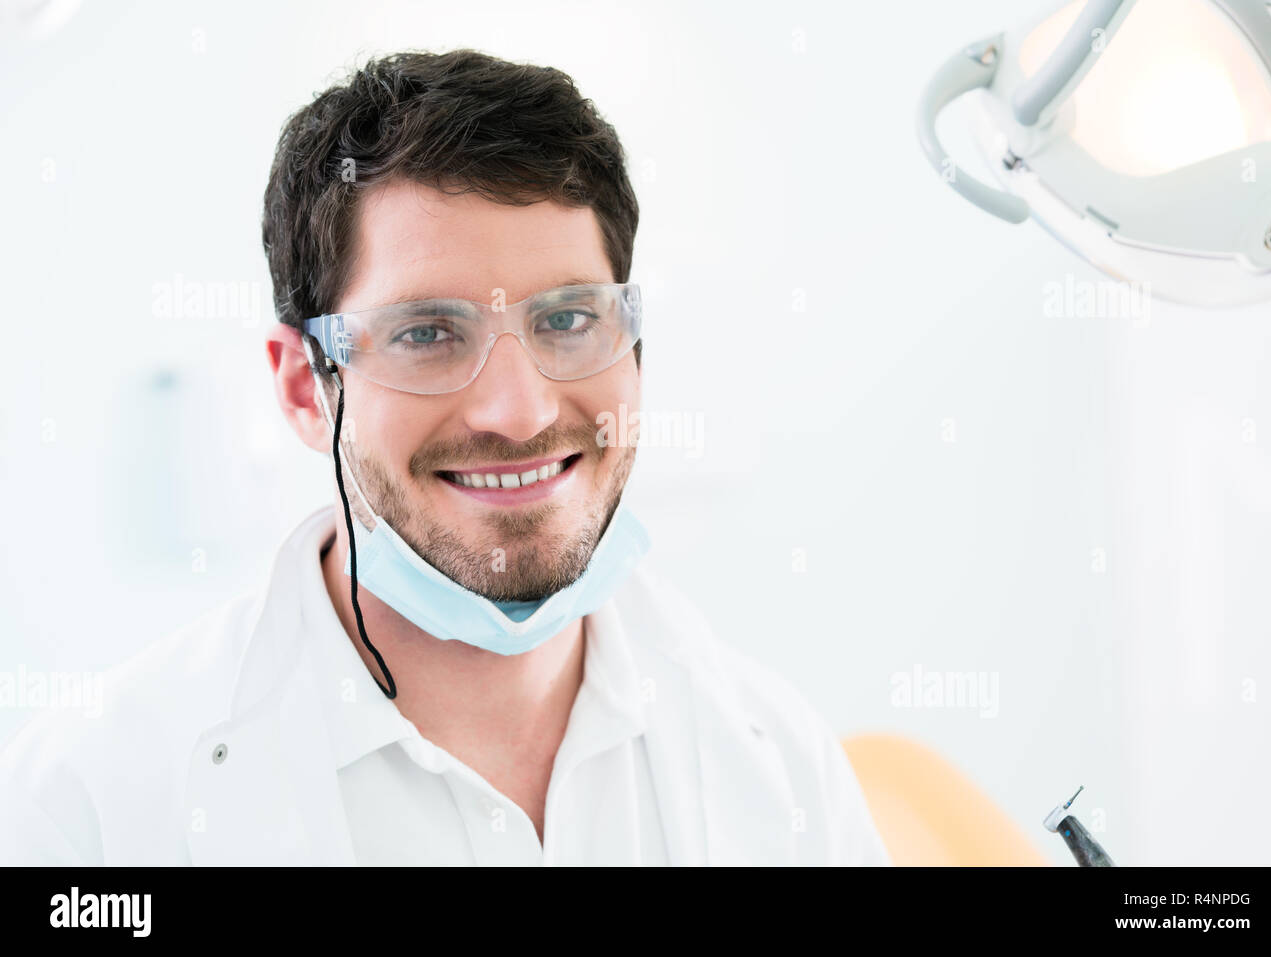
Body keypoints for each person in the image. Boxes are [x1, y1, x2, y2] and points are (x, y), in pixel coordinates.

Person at [0, 49, 890, 866]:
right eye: (426, 333)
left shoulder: (783, 773)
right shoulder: (87, 815)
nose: (520, 411)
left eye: (568, 319)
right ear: (307, 390)